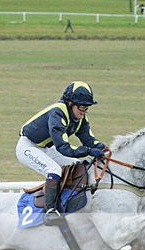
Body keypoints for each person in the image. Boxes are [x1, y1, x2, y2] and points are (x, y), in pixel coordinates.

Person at [17, 81, 106, 225]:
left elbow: (88, 139)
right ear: (70, 103)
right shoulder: (58, 112)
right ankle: (50, 211)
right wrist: (89, 151)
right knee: (54, 170)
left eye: (87, 107)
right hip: (27, 147)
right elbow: (64, 148)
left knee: (78, 166)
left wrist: (104, 148)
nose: (85, 110)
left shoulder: (80, 117)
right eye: (82, 106)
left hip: (46, 148)